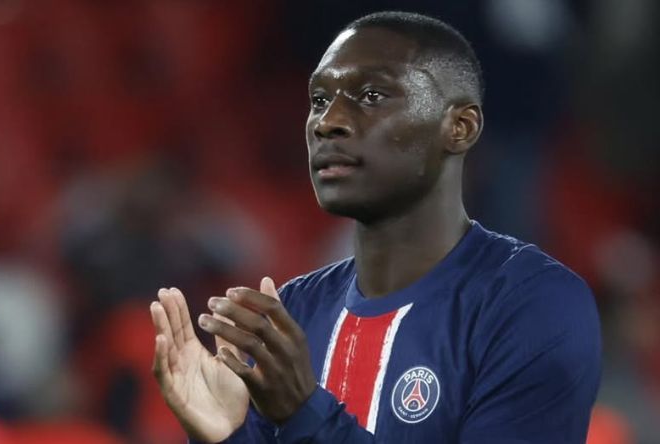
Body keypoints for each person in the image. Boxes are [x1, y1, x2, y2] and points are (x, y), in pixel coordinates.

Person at [149, 11, 601, 443]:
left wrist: (305, 413)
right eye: (320, 100)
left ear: (460, 127)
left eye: (371, 96)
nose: (328, 123)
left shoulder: (530, 303)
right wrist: (227, 437)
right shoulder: (297, 310)